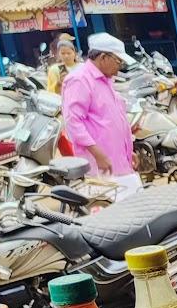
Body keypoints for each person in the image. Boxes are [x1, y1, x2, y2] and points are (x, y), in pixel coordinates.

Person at [60, 33, 140, 199]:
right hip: (101, 164)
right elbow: (73, 122)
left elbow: (111, 118)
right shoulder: (80, 80)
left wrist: (127, 151)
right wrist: (98, 154)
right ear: (104, 57)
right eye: (119, 61)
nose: (120, 67)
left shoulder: (105, 80)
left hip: (117, 160)